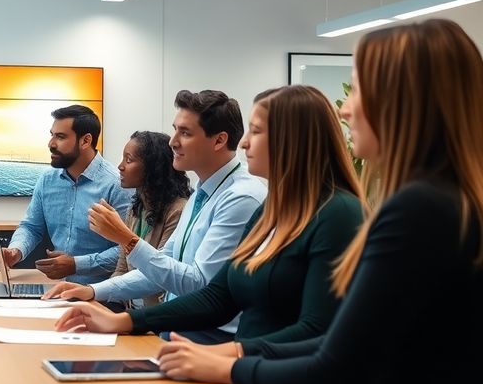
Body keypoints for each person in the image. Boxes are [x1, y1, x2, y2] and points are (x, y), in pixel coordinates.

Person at [156, 19, 483, 384]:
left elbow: (336, 364)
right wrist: (232, 355)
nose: (344, 109)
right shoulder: (445, 200)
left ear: (401, 101)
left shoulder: (417, 208)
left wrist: (230, 366)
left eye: (358, 90)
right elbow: (348, 343)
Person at [56, 85, 365, 351]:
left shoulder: (251, 199)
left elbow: (200, 285)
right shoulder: (242, 202)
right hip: (200, 339)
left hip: (220, 345)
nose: (244, 143)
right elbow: (215, 293)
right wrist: (109, 306)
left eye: (256, 132)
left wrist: (127, 240)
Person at [45, 90, 266, 343]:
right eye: (175, 130)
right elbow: (162, 265)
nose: (173, 141)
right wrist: (92, 290)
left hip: (208, 339)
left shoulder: (241, 197)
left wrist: (128, 240)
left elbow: (199, 285)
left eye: (185, 132)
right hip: (180, 330)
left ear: (218, 141)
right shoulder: (202, 193)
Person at [0, 105, 132, 284]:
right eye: (52, 135)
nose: (51, 144)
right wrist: (15, 251)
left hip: (103, 295)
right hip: (59, 288)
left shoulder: (117, 184)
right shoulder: (47, 180)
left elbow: (128, 248)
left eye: (60, 137)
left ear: (85, 141)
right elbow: (31, 227)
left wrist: (77, 264)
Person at [60, 131, 191, 309]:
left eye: (128, 160)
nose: (120, 166)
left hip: (157, 316)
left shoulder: (178, 211)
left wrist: (94, 292)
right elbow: (121, 269)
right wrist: (104, 308)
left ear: (153, 168)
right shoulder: (136, 209)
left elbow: (161, 277)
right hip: (132, 311)